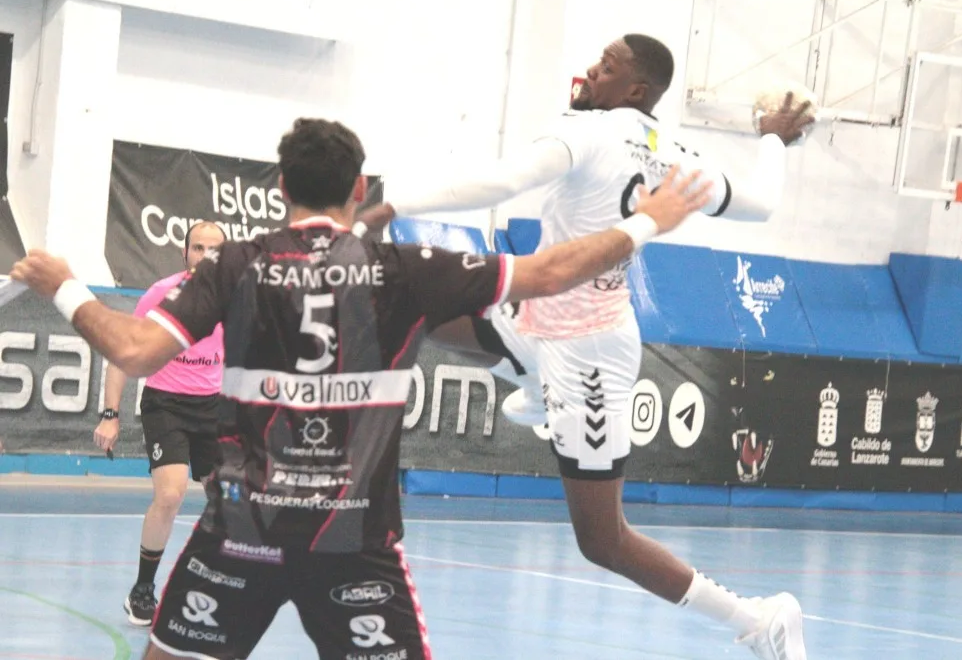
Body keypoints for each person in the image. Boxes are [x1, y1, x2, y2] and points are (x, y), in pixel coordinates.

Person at [10, 117, 712, 660]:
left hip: (241, 536)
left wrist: (64, 285)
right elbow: (552, 272)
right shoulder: (405, 268)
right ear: (358, 191)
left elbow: (133, 349)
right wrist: (649, 219)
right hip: (352, 543)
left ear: (280, 188)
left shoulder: (234, 266)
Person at [357, 34, 813, 659]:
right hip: (536, 318)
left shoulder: (587, 133)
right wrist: (772, 139)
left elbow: (502, 181)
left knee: (603, 540)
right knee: (414, 302)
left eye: (607, 66)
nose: (591, 71)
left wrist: (393, 204)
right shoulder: (680, 157)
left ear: (635, 89)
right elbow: (760, 204)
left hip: (588, 353)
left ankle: (760, 619)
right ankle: (532, 379)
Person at [93, 221, 227, 625]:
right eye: (198, 248)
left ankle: (211, 587)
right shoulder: (161, 294)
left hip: (213, 406)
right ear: (185, 253)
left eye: (214, 250)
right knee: (170, 494)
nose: (205, 256)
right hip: (166, 404)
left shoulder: (237, 298)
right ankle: (142, 590)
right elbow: (124, 352)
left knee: (228, 503)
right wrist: (111, 415)